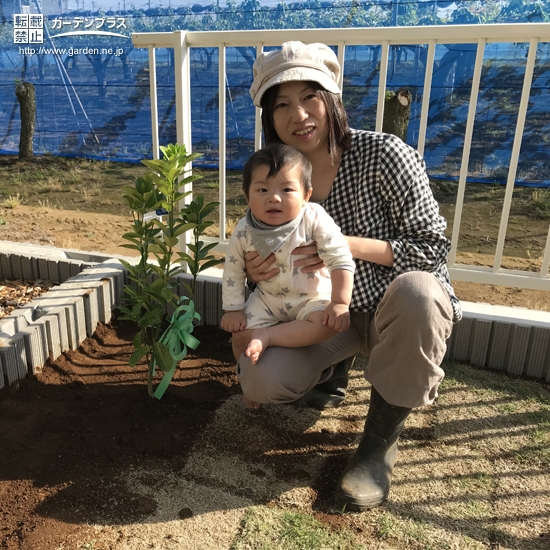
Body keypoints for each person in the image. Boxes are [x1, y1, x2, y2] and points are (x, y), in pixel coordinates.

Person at [234, 40, 462, 511]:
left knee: (421, 295)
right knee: (258, 380)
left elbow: (432, 248)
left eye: (310, 97)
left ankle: (378, 446)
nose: (299, 115)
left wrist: (344, 247)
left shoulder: (385, 155)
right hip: (319, 313)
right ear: (268, 117)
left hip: (387, 307)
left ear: (332, 99)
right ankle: (331, 368)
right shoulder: (277, 172)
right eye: (282, 104)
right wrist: (256, 269)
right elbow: (266, 253)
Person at [221, 144, 355, 408]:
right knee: (239, 335)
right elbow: (233, 269)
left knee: (323, 323)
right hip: (268, 299)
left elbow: (341, 259)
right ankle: (247, 381)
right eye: (262, 190)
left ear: (306, 194)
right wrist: (233, 309)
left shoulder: (314, 218)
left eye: (287, 189)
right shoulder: (244, 228)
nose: (274, 198)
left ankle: (271, 337)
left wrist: (339, 302)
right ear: (247, 197)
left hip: (311, 297)